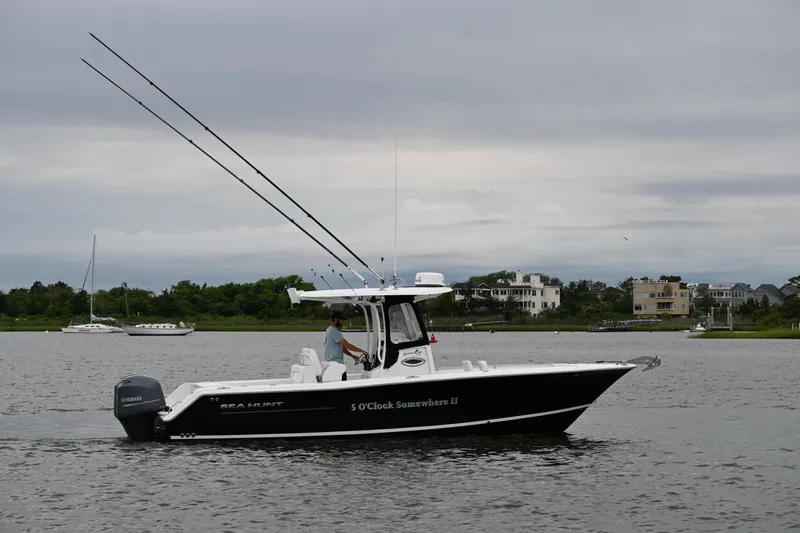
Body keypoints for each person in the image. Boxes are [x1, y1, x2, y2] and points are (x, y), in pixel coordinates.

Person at [324, 310, 369, 381]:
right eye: (341, 319)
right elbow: (347, 345)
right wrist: (363, 351)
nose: (343, 322)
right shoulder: (333, 330)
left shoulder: (329, 330)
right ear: (335, 319)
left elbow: (342, 347)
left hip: (333, 365)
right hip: (337, 366)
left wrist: (352, 356)